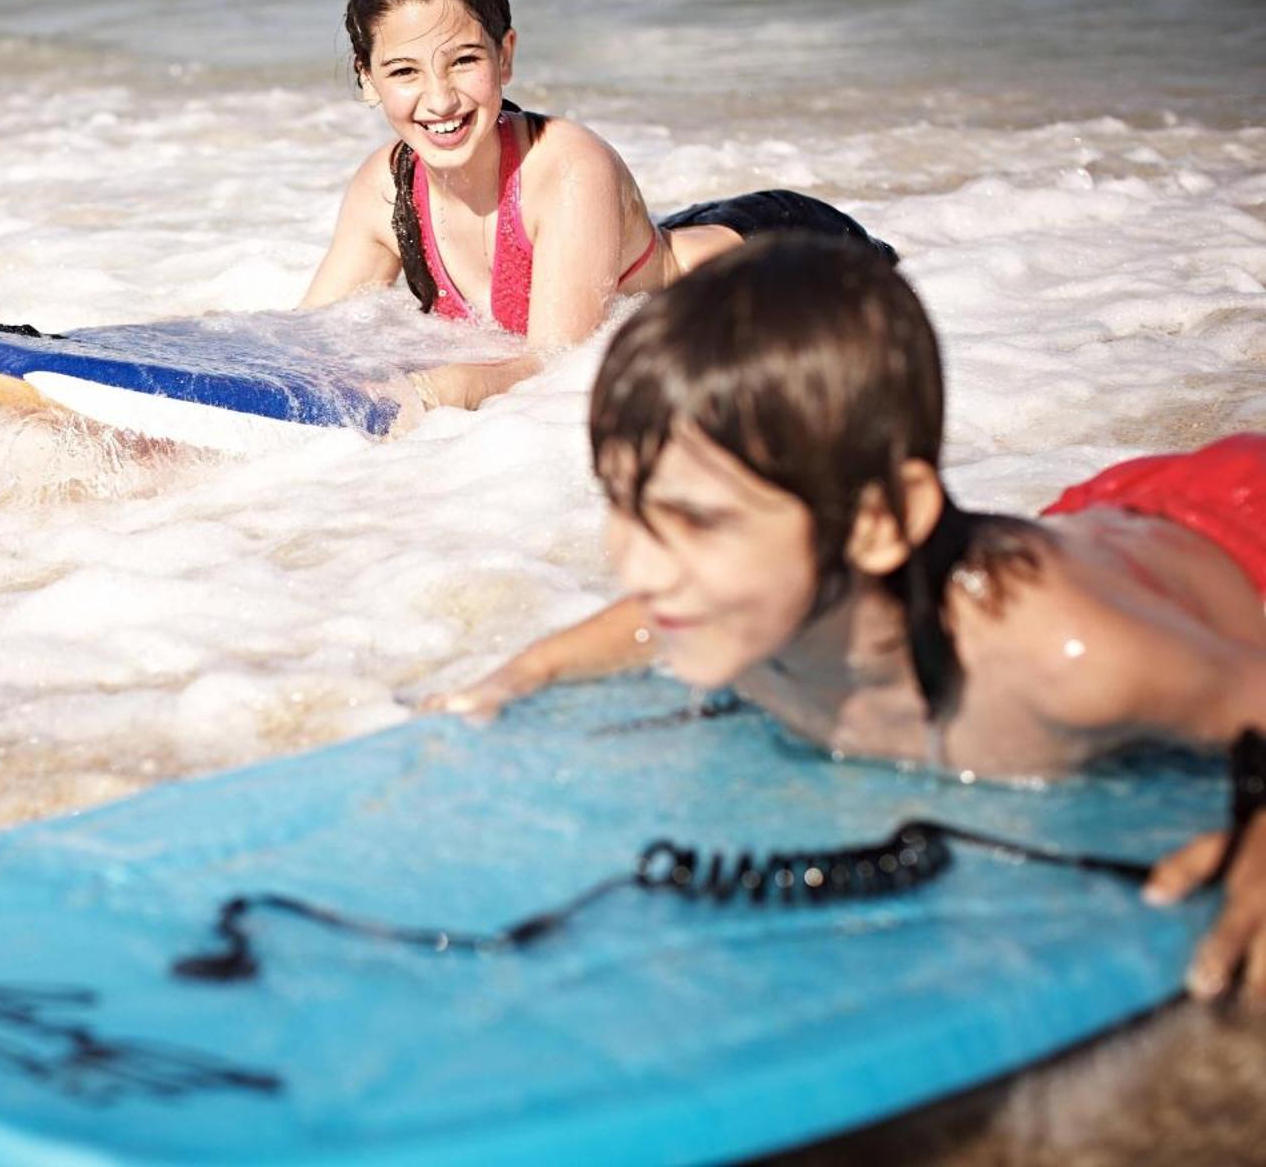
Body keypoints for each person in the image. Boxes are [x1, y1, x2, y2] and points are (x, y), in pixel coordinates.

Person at [434, 233, 1266, 999]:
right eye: (625, 504)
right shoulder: (744, 612)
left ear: (879, 522)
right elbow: (650, 618)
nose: (639, 563)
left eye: (697, 522)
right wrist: (530, 668)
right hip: (1104, 525)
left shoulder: (1070, 660)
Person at [298, 0, 893, 422]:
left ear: (505, 55)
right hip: (642, 249)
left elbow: (559, 365)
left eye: (465, 60)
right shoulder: (386, 188)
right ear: (367, 78)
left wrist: (433, 390)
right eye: (403, 70)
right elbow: (310, 338)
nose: (440, 98)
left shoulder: (567, 167)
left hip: (785, 254)